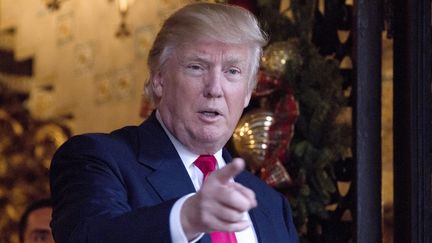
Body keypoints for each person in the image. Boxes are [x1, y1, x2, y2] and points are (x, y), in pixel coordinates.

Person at [50, 2, 299, 243]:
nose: (215, 89)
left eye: (232, 71)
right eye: (196, 67)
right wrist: (185, 219)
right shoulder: (97, 159)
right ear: (159, 79)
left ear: (248, 92)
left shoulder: (271, 205)